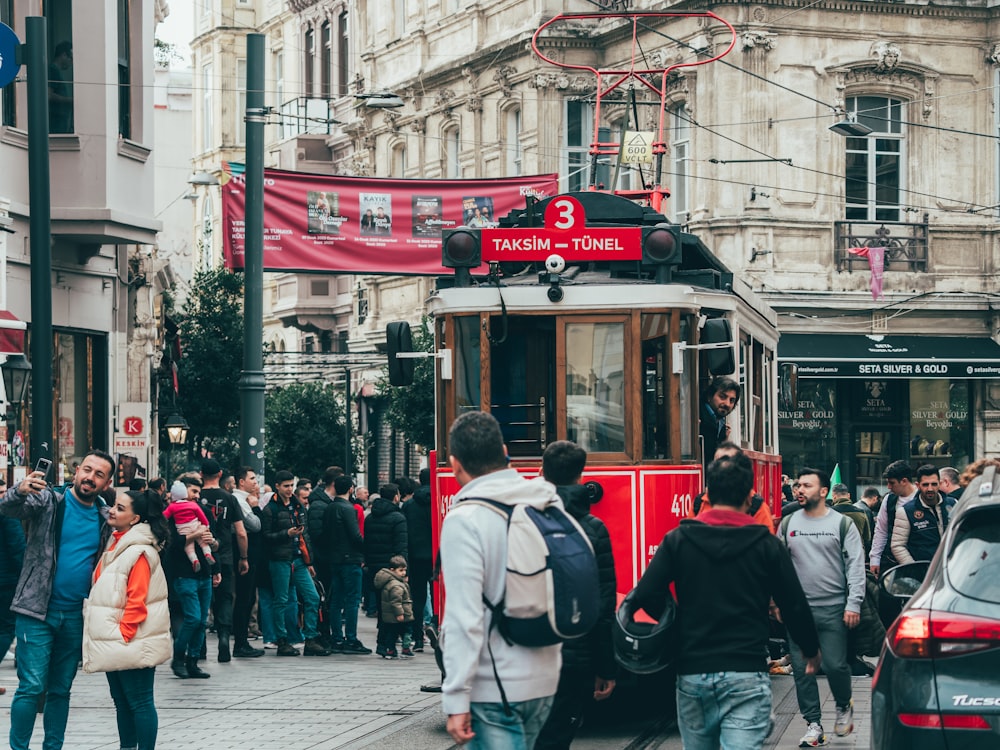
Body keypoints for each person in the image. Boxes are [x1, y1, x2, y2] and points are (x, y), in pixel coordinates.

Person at [631, 453, 820, 749]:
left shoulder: (678, 540)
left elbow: (645, 593)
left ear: (707, 493)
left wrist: (677, 621)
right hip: (745, 669)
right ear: (748, 497)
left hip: (693, 671)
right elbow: (794, 604)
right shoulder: (766, 544)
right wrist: (810, 649)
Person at [439, 411, 562, 748]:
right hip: (546, 676)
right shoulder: (545, 501)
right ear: (504, 451)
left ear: (455, 464)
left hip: (496, 686)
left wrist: (455, 698)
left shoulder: (464, 520)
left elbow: (465, 618)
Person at [0, 449, 115, 750]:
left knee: (61, 689)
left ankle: (53, 746)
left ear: (107, 482)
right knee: (32, 686)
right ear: (76, 472)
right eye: (87, 470)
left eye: (99, 474)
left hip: (77, 616)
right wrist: (19, 490)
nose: (90, 477)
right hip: (36, 610)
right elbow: (9, 509)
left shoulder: (105, 518)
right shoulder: (50, 501)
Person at [535, 441, 617, 750]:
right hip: (575, 657)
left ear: (542, 473)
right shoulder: (594, 529)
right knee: (558, 737)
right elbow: (603, 605)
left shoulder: (522, 518)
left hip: (529, 652)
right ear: (581, 476)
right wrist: (606, 667)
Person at [781, 468, 865, 747]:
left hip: (833, 608)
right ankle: (813, 724)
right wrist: (776, 600)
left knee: (834, 665)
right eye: (797, 485)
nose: (799, 490)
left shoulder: (842, 524)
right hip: (797, 611)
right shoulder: (788, 523)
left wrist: (853, 603)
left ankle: (843, 705)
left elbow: (856, 566)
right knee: (803, 668)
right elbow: (778, 566)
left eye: (806, 485)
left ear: (824, 491)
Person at [82, 489, 172, 750]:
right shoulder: (118, 544)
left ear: (135, 519)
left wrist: (123, 633)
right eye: (114, 505)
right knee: (122, 701)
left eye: (120, 508)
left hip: (130, 638)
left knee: (140, 701)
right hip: (116, 639)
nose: (112, 510)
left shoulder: (139, 551)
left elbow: (137, 599)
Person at [260, 469, 329, 657]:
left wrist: (309, 560)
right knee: (281, 599)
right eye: (286, 486)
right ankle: (282, 640)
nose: (289, 489)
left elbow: (305, 535)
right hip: (280, 559)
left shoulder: (298, 506)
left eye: (291, 485)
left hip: (298, 558)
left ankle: (310, 638)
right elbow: (265, 536)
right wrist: (286, 534)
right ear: (277, 486)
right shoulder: (270, 509)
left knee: (312, 597)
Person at [163, 475, 218, 679]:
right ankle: (178, 659)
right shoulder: (173, 514)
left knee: (202, 620)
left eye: (197, 492)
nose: (195, 496)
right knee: (193, 618)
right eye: (192, 492)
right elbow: (172, 542)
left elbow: (214, 540)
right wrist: (194, 536)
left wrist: (212, 543)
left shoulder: (200, 511)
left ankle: (193, 661)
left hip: (204, 572)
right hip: (184, 574)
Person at [199, 459, 250, 663]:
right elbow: (241, 532)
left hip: (202, 556)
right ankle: (223, 640)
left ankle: (200, 646)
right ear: (220, 474)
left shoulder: (196, 497)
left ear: (201, 474)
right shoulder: (229, 498)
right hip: (226, 556)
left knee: (203, 600)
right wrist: (244, 557)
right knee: (225, 599)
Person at [323, 475, 371, 654]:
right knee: (352, 600)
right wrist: (366, 549)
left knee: (336, 599)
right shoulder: (348, 509)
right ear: (351, 489)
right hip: (350, 558)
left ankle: (337, 637)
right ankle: (351, 638)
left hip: (334, 558)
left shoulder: (330, 508)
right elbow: (355, 535)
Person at [890, 464, 956, 565]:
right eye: (925, 485)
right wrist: (914, 567)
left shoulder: (953, 504)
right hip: (923, 572)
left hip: (952, 568)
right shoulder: (906, 511)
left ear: (940, 483)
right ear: (918, 485)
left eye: (934, 484)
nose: (930, 489)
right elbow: (897, 546)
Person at [230, 466, 265, 658]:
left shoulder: (242, 500)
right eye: (251, 478)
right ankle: (240, 643)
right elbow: (255, 525)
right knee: (244, 597)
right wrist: (255, 507)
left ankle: (242, 641)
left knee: (248, 597)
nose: (255, 481)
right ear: (241, 482)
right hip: (245, 554)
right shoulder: (240, 501)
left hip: (250, 554)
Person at [364, 482, 408, 619]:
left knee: (379, 601)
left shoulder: (370, 517)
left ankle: (382, 636)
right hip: (391, 567)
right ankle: (388, 637)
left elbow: (367, 542)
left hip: (374, 565)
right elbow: (401, 545)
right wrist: (403, 568)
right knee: (393, 602)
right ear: (396, 497)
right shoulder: (398, 518)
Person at [401, 468, 433, 652]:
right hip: (437, 556)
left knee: (418, 597)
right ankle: (437, 629)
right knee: (439, 596)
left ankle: (418, 638)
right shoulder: (439, 499)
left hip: (415, 556)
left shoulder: (409, 505)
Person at [869, 460, 916, 577]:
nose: (888, 487)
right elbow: (881, 530)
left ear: (904, 481)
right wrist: (875, 558)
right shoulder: (889, 499)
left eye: (892, 483)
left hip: (917, 558)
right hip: (891, 561)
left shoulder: (921, 497)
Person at [162, 480, 216, 571]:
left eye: (199, 493)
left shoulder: (205, 510)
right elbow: (172, 542)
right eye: (194, 491)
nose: (197, 496)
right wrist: (200, 531)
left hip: (206, 573)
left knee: (190, 548)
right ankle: (206, 554)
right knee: (201, 544)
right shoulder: (192, 507)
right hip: (182, 572)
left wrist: (213, 541)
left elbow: (216, 541)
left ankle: (195, 560)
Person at [0, 474, 26, 663]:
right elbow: (17, 548)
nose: (4, 496)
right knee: (7, 627)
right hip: (6, 579)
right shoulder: (7, 515)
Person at [374, 554, 413, 659]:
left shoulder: (393, 582)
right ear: (392, 570)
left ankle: (392, 650)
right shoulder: (396, 585)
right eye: (401, 570)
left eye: (405, 570)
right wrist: (400, 613)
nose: (404, 573)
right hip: (398, 615)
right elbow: (396, 601)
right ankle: (402, 649)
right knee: (402, 632)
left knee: (392, 633)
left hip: (390, 615)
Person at [699, 377, 741, 466]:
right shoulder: (698, 415)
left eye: (732, 400)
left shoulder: (720, 422)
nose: (727, 404)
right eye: (722, 397)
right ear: (710, 396)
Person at [831, 483, 872, 556]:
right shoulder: (861, 512)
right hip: (857, 553)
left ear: (834, 497)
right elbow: (867, 537)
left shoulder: (829, 513)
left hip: (835, 554)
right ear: (848, 496)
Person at [48, 41, 74, 134]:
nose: (71, 62)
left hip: (60, 119)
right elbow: (48, 95)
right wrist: (70, 100)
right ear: (63, 55)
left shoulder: (55, 71)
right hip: (56, 119)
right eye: (70, 58)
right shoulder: (53, 70)